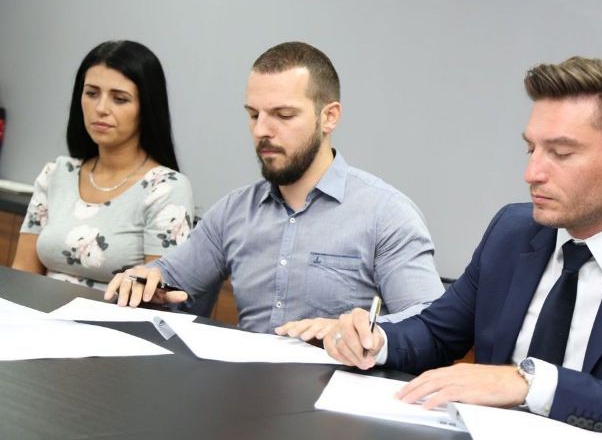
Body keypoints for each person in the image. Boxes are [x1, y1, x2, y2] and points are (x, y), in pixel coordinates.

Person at [325, 57, 602, 440]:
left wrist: (530, 384)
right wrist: (375, 339)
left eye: (561, 153)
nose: (532, 173)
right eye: (531, 149)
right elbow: (437, 333)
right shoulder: (512, 231)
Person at [105, 41, 443, 335]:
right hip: (243, 383)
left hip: (334, 384)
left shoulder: (386, 214)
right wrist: (144, 283)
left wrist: (355, 330)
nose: (261, 131)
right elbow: (168, 278)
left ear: (329, 117)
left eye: (283, 115)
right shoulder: (233, 211)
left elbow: (430, 325)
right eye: (254, 115)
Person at [12, 40, 194, 290]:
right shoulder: (56, 173)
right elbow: (22, 272)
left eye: (119, 99)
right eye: (91, 93)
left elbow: (159, 295)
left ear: (147, 107)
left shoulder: (166, 188)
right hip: (37, 312)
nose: (101, 108)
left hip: (113, 315)